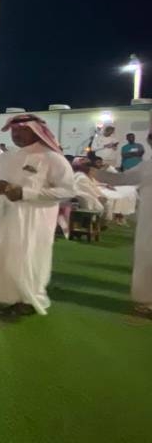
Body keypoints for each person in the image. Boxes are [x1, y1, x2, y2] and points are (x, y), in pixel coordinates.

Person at [0, 113, 74, 318]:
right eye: (14, 131)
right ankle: (11, 298)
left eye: (23, 130)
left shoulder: (52, 158)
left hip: (36, 219)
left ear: (37, 131)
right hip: (8, 217)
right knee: (8, 258)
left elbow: (67, 191)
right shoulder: (6, 157)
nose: (17, 135)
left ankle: (31, 299)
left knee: (31, 258)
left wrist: (26, 193)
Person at [95, 118, 152, 317]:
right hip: (149, 222)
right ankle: (147, 302)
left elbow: (120, 179)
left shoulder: (146, 166)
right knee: (147, 258)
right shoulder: (147, 166)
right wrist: (94, 172)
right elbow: (121, 179)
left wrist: (93, 172)